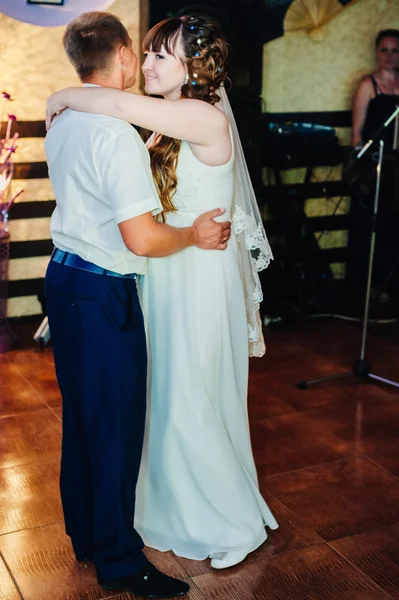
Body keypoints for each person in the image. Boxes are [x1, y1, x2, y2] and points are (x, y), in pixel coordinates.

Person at [46, 13, 278, 570]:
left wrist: (61, 93)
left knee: (190, 389)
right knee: (164, 395)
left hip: (197, 273)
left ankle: (224, 519)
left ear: (192, 66)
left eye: (159, 55)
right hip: (166, 265)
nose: (146, 65)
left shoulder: (201, 114)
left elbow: (119, 104)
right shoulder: (168, 123)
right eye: (145, 53)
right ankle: (168, 506)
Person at [350, 29, 399, 301]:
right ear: (376, 53)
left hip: (398, 166)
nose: (389, 56)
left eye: (395, 50)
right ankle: (372, 284)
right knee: (376, 224)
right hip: (376, 165)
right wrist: (360, 165)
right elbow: (357, 133)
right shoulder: (368, 85)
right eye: (384, 50)